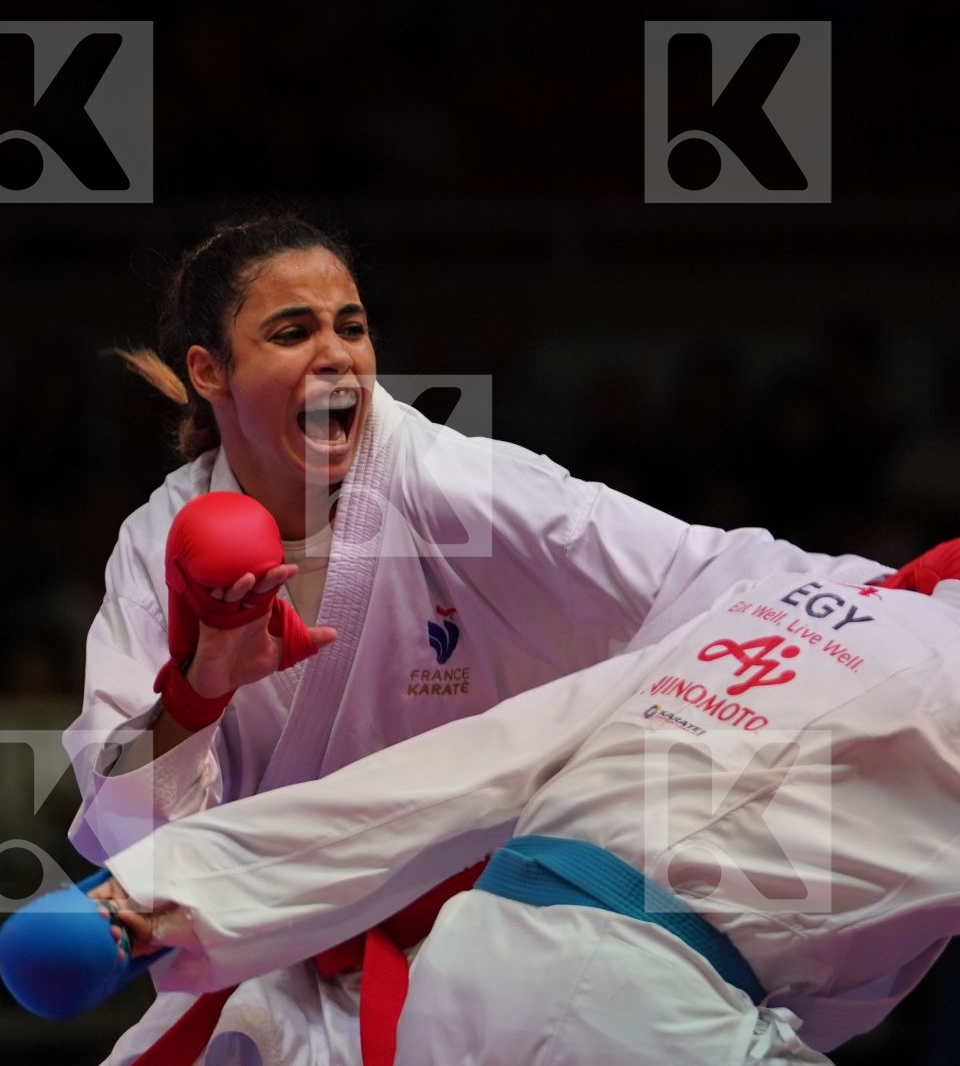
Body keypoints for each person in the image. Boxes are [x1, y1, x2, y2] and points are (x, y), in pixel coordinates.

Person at [64, 208, 891, 1065]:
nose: (338, 354)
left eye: (352, 326)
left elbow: (697, 572)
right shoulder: (158, 547)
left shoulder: (452, 488)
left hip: (503, 929)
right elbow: (136, 839)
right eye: (292, 332)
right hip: (275, 952)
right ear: (210, 371)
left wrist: (899, 595)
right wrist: (201, 691)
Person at [90, 561, 960, 1064]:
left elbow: (486, 759)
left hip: (475, 955)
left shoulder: (773, 601)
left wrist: (174, 885)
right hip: (645, 1008)